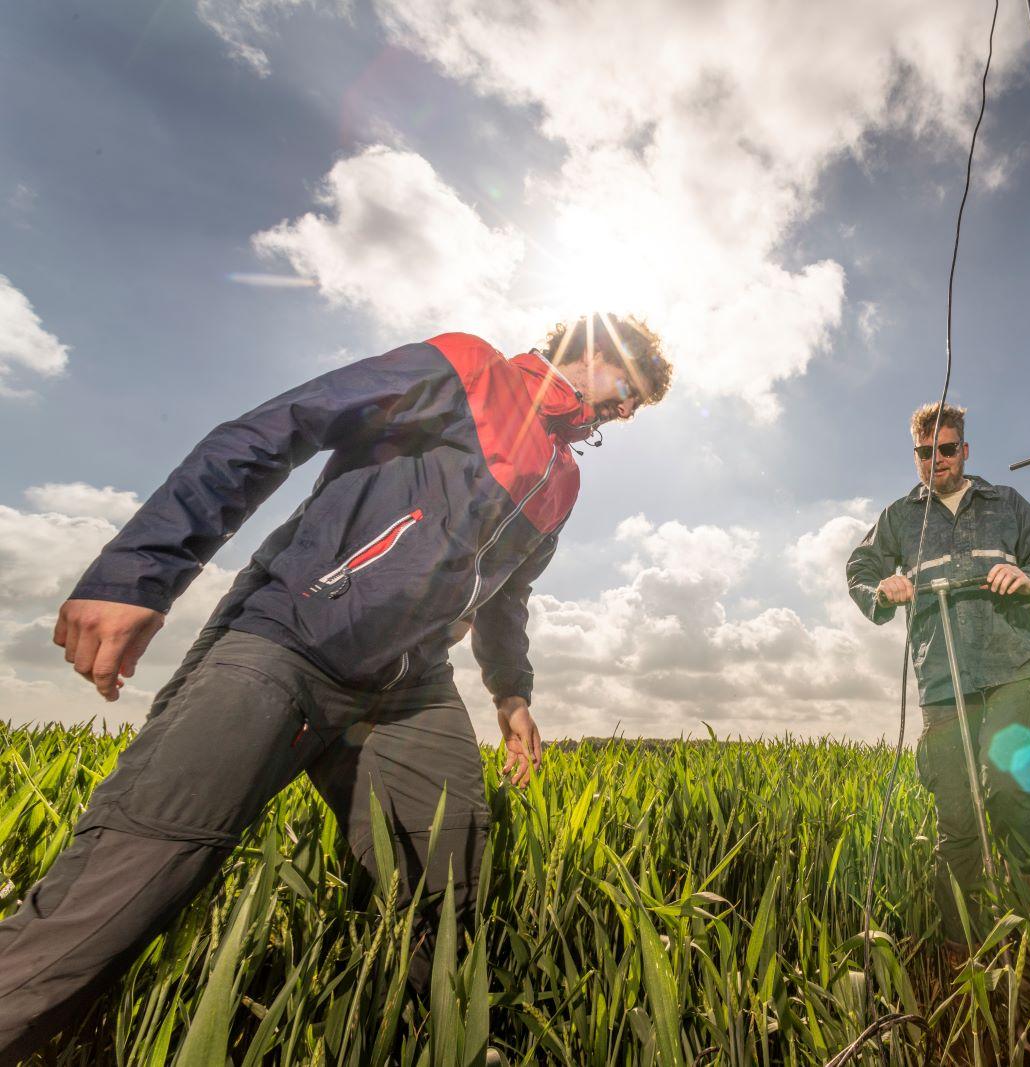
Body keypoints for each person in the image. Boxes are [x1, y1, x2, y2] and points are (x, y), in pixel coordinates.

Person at [0, 315, 673, 1062]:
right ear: (593, 351)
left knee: (450, 875)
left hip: (410, 685)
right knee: (134, 878)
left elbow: (508, 594)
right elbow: (273, 428)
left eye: (635, 408)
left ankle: (443, 1040)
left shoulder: (564, 478)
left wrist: (512, 694)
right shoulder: (467, 370)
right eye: (628, 389)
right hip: (291, 638)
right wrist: (142, 568)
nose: (624, 411)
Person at [846, 402, 1030, 953]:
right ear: (915, 455)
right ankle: (962, 947)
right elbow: (860, 568)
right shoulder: (899, 517)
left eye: (947, 449)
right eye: (926, 452)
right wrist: (882, 590)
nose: (937, 460)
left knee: (1016, 791)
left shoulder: (1005, 503)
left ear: (964, 450)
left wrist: (1027, 576)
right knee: (957, 816)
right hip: (942, 677)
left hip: (1011, 665)